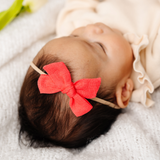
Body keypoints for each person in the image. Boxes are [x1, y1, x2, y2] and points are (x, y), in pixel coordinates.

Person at [18, 0, 160, 149]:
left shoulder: (73, 25)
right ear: (124, 90)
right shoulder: (149, 63)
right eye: (100, 46)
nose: (91, 28)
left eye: (73, 36)